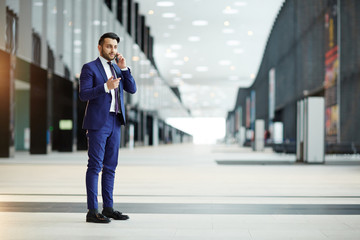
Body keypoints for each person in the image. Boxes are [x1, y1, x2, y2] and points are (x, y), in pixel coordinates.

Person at [79, 32, 137, 223]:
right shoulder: (90, 68)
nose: (112, 50)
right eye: (108, 46)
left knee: (111, 167)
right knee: (95, 166)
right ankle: (92, 210)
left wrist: (125, 69)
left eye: (115, 47)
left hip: (115, 121)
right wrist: (105, 86)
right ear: (100, 47)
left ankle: (108, 207)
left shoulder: (117, 68)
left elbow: (132, 89)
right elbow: (84, 94)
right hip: (97, 123)